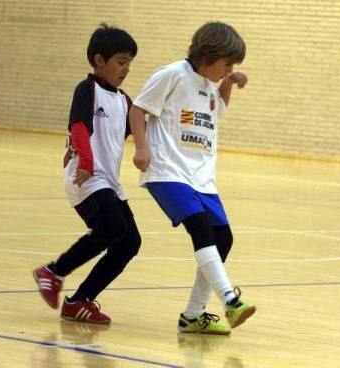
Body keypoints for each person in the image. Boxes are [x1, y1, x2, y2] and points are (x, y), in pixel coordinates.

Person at [129, 21, 255, 335]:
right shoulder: (172, 74)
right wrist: (142, 147)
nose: (229, 69)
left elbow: (216, 112)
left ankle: (193, 315)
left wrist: (228, 84)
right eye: (227, 64)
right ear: (210, 55)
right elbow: (137, 109)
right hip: (167, 171)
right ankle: (230, 299)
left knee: (223, 238)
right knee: (200, 229)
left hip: (201, 178)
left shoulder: (211, 83)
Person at [32, 24, 141, 324]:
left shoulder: (123, 100)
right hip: (85, 177)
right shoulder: (87, 90)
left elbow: (138, 130)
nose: (126, 69)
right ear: (99, 60)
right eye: (121, 62)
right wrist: (87, 163)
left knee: (130, 242)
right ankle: (53, 272)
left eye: (130, 63)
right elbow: (79, 127)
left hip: (109, 182)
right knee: (112, 227)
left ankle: (79, 301)